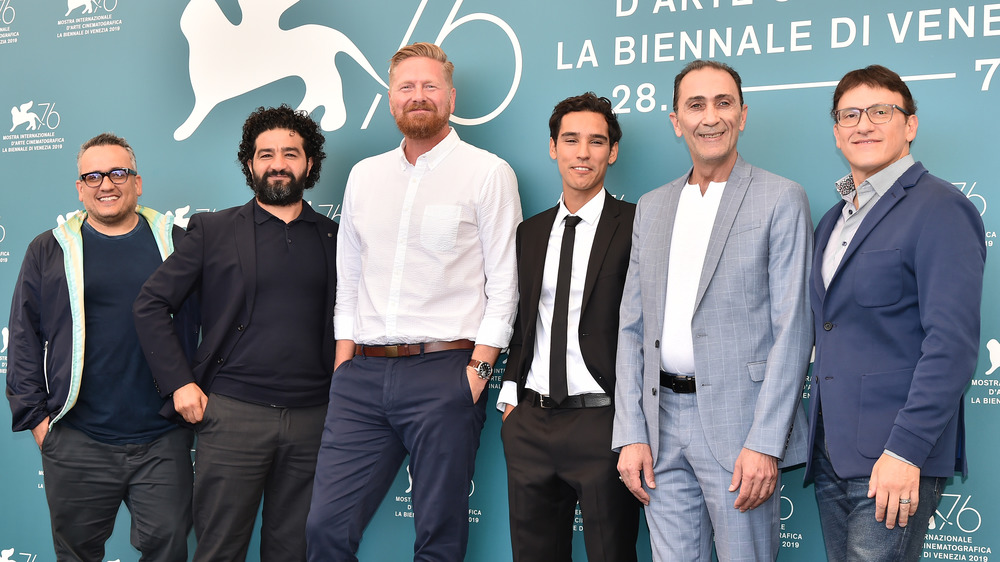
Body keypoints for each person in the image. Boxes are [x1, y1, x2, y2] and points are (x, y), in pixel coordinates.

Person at [305, 42, 521, 561]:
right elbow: (350, 281)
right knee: (324, 529)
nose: (418, 96)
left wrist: (477, 371)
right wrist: (343, 365)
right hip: (362, 376)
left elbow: (505, 285)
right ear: (389, 99)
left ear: (450, 95)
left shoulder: (487, 172)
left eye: (429, 86)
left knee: (438, 539)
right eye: (406, 86)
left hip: (446, 371)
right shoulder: (364, 175)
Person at [612, 60, 814, 561]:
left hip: (739, 427)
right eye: (695, 105)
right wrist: (631, 433)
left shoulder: (781, 198)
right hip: (660, 427)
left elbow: (793, 329)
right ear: (675, 120)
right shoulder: (652, 206)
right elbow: (632, 328)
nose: (711, 117)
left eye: (723, 103)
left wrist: (766, 441)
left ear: (743, 115)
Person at [133, 105, 337, 561]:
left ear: (309, 163)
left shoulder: (335, 237)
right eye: (265, 154)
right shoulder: (213, 230)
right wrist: (180, 383)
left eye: (290, 153)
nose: (277, 163)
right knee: (219, 550)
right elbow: (150, 304)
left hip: (313, 419)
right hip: (232, 416)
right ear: (250, 163)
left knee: (292, 550)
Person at [806, 65, 986, 562]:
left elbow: (950, 345)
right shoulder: (831, 220)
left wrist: (906, 450)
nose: (863, 124)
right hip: (833, 453)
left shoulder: (940, 208)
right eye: (849, 115)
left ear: (910, 125)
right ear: (837, 132)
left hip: (894, 455)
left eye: (880, 111)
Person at [6, 133, 197, 561]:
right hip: (78, 439)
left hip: (162, 438)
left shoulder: (178, 243)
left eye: (117, 172)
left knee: (168, 551)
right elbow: (22, 337)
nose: (105, 184)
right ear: (79, 188)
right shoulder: (48, 250)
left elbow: (213, 325)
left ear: (137, 181)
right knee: (77, 555)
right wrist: (39, 421)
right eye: (92, 176)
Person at [497, 92, 640, 561]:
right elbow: (522, 319)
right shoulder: (531, 231)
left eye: (596, 142)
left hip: (603, 422)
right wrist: (510, 398)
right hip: (530, 422)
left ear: (612, 152)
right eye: (571, 140)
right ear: (553, 147)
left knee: (610, 553)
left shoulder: (638, 224)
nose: (583, 153)